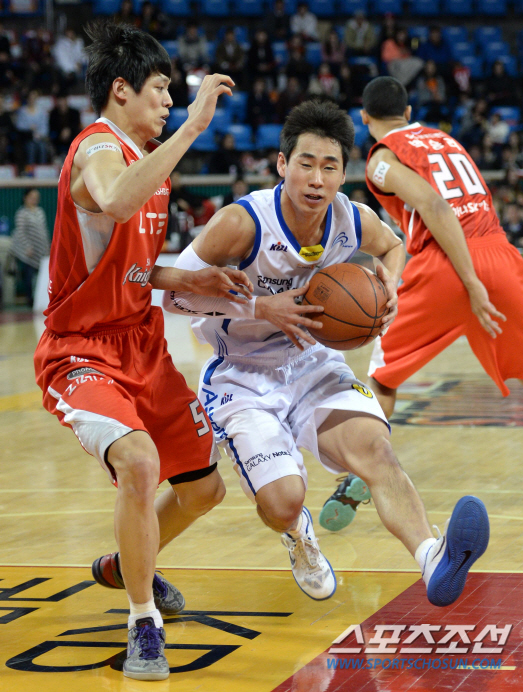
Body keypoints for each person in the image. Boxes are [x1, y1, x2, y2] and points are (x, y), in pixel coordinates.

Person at [163, 98, 490, 610]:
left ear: (343, 173)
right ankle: (297, 532)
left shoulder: (351, 219)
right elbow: (173, 295)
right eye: (306, 164)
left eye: (330, 167)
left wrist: (391, 285)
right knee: (281, 503)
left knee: (376, 451)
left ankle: (433, 557)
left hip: (313, 365)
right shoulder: (242, 223)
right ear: (282, 164)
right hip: (242, 376)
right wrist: (260, 307)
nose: (317, 179)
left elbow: (394, 245)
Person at [33, 22, 253, 681]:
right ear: (120, 89)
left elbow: (128, 266)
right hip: (82, 349)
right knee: (138, 461)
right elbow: (116, 199)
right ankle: (142, 624)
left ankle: (128, 564)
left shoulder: (148, 160)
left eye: (172, 93)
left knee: (205, 490)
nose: (169, 101)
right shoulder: (99, 148)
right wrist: (193, 128)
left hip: (142, 344)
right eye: (160, 88)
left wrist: (188, 279)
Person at [320, 76, 523, 532]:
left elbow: (436, 208)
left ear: (364, 117)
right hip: (499, 256)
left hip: (445, 265)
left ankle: (360, 474)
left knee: (383, 375)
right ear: (408, 111)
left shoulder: (382, 158)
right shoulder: (444, 139)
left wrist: (469, 282)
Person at [9, 188, 50, 307]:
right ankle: (29, 300)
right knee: (28, 275)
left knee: (41, 276)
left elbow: (43, 230)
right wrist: (27, 247)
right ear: (25, 198)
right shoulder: (22, 213)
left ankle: (40, 298)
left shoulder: (40, 211)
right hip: (28, 252)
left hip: (41, 248)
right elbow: (20, 232)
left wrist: (47, 245)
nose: (34, 199)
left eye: (36, 197)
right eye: (32, 197)